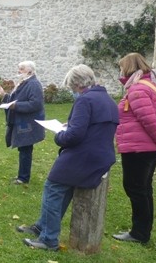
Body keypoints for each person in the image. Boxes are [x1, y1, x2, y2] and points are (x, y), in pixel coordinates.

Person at [16, 64, 119, 251]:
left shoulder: (85, 100)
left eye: (72, 88)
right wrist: (71, 125)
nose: (72, 92)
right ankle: (42, 226)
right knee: (62, 188)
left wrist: (59, 135)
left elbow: (74, 136)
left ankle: (48, 239)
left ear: (78, 84)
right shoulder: (108, 100)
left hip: (82, 157)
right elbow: (95, 128)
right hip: (100, 156)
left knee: (53, 187)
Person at [112, 53, 156, 243]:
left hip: (139, 148)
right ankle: (142, 231)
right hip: (144, 146)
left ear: (128, 67)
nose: (120, 71)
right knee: (143, 188)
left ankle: (139, 233)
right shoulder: (150, 84)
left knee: (135, 188)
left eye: (121, 67)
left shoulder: (138, 89)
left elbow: (149, 120)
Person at [0, 61, 45, 184]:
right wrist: (4, 95)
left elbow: (36, 104)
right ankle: (22, 176)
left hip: (27, 123)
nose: (19, 71)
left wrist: (16, 106)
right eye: (19, 68)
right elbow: (15, 100)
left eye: (22, 69)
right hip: (22, 121)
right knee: (23, 149)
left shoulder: (33, 84)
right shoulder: (24, 83)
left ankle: (23, 178)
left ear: (30, 71)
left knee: (25, 149)